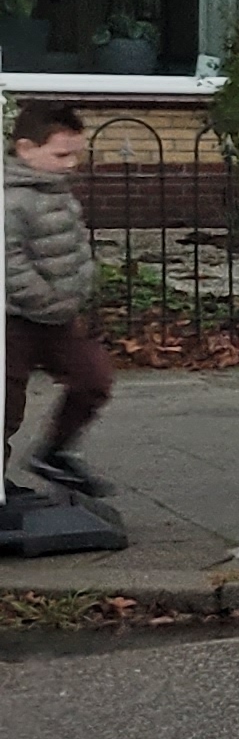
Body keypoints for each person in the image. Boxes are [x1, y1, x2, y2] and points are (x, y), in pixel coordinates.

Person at [5, 101, 115, 499]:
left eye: (75, 155)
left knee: (92, 379)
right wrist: (47, 298)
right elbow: (9, 263)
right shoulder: (10, 200)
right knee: (6, 403)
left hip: (57, 316)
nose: (70, 164)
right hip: (13, 319)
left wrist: (80, 285)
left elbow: (70, 246)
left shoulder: (55, 189)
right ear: (25, 149)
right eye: (60, 155)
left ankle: (53, 452)